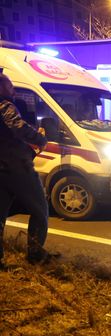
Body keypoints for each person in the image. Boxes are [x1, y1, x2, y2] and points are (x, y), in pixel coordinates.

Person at [0, 73, 58, 268]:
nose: (13, 90)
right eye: (9, 86)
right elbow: (16, 125)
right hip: (18, 167)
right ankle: (35, 253)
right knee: (40, 210)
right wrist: (39, 138)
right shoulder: (5, 106)